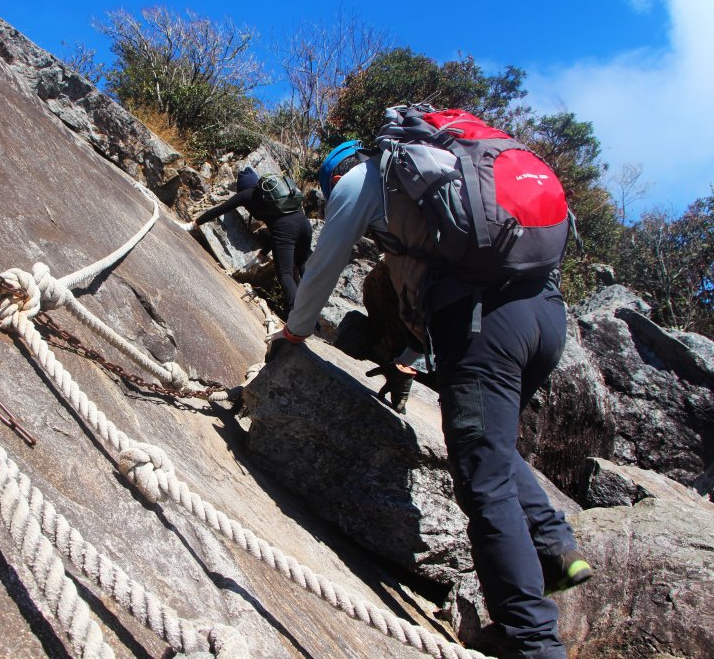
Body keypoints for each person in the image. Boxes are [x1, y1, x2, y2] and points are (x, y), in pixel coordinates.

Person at [267, 143, 593, 659]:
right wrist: (410, 355)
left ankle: (531, 640)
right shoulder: (446, 185)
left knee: (481, 481)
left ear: (337, 175)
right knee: (494, 442)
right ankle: (554, 548)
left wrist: (295, 333)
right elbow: (425, 283)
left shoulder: (361, 182)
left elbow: (325, 264)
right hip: (547, 316)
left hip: (486, 322)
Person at [183, 166, 312, 313]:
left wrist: (194, 224)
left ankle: (296, 318)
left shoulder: (246, 195)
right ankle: (313, 307)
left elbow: (219, 210)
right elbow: (279, 231)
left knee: (285, 274)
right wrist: (262, 254)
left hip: (286, 229)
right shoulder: (275, 201)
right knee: (302, 263)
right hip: (304, 223)